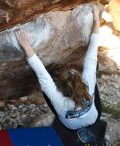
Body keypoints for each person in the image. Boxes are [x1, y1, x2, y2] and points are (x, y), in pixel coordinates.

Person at [16, 6, 106, 146]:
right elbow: (92, 54)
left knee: (48, 92)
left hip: (70, 127)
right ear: (80, 80)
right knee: (92, 71)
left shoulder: (62, 104)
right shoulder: (86, 84)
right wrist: (96, 20)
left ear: (63, 90)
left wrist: (26, 45)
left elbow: (43, 75)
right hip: (93, 117)